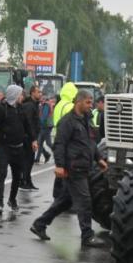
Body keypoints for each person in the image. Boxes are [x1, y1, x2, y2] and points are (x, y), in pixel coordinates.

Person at [30, 89, 108, 247]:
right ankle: (87, 236)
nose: (90, 105)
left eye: (91, 102)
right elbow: (59, 144)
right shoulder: (67, 121)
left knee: (65, 201)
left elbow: (90, 143)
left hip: (84, 166)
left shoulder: (86, 119)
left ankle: (39, 224)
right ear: (78, 102)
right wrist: (59, 165)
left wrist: (99, 158)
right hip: (74, 168)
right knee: (85, 200)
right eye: (88, 102)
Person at [0, 85, 37, 214]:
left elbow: (28, 125)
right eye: (20, 94)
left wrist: (33, 140)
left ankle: (12, 199)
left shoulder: (21, 109)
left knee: (17, 176)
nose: (23, 97)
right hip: (4, 147)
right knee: (2, 173)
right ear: (14, 96)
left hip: (18, 148)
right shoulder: (1, 109)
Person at [51, 82, 78, 198]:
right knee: (68, 169)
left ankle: (57, 194)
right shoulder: (70, 106)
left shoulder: (59, 105)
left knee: (60, 167)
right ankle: (64, 198)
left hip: (56, 137)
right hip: (67, 140)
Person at [20, 85, 42, 191]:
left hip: (31, 136)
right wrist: (33, 138)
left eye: (40, 92)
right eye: (38, 92)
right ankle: (24, 181)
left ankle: (28, 181)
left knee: (30, 160)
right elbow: (28, 123)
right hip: (27, 137)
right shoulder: (29, 105)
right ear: (32, 93)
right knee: (27, 160)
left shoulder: (34, 105)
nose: (40, 94)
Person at [35, 96, 54, 163]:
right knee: (40, 143)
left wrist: (39, 122)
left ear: (45, 100)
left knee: (48, 143)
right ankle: (38, 158)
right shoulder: (44, 105)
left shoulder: (46, 106)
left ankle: (57, 152)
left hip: (46, 126)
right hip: (45, 126)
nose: (41, 100)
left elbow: (44, 116)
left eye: (42, 99)